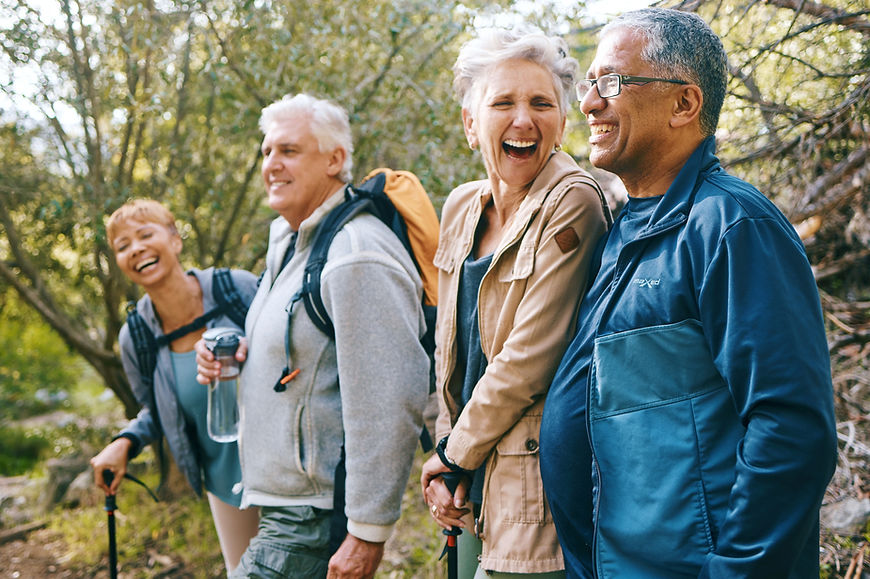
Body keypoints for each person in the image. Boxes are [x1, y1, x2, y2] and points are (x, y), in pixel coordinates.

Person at [539, 8, 838, 578]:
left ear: (684, 104)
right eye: (589, 83)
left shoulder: (730, 227)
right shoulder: (624, 229)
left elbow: (792, 428)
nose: (588, 103)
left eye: (612, 82)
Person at [195, 93, 430, 579]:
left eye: (289, 151)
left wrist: (366, 533)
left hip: (314, 517)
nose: (272, 165)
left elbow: (391, 397)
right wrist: (241, 354)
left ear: (335, 159)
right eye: (266, 152)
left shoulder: (355, 252)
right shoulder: (293, 241)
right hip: (281, 505)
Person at [419, 28, 611, 578]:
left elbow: (529, 359)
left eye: (541, 103)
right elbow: (449, 349)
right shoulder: (459, 207)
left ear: (563, 122)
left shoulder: (574, 201)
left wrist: (453, 455)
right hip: (469, 473)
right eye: (502, 102)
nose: (523, 120)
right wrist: (449, 457)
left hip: (534, 489)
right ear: (470, 124)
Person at [89, 199, 260, 573]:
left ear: (175, 240)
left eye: (146, 235)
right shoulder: (136, 336)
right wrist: (125, 442)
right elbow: (158, 409)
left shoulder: (237, 288)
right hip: (225, 483)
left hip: (287, 467)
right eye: (123, 246)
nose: (136, 249)